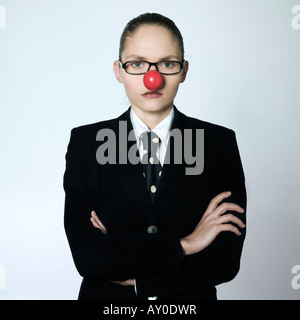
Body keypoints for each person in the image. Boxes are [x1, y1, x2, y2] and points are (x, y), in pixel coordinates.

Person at [63, 12, 247, 300]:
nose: (153, 78)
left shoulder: (218, 144)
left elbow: (223, 261)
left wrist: (138, 279)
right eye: (138, 64)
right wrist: (186, 244)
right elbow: (88, 257)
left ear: (184, 70)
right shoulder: (87, 143)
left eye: (167, 64)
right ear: (118, 71)